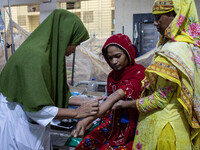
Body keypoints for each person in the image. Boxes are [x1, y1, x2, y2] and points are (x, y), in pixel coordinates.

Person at [0, 9, 102, 150]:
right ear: (65, 36)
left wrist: (84, 101)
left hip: (29, 125)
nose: (74, 50)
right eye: (75, 44)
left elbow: (51, 93)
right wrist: (78, 112)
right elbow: (37, 108)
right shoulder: (35, 57)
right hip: (17, 127)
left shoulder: (50, 56)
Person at [111, 0, 200, 149]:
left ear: (175, 16)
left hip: (164, 131)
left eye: (158, 18)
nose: (154, 23)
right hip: (179, 127)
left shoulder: (172, 51)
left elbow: (160, 99)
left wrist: (124, 104)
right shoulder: (190, 47)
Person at [73, 33, 146, 149]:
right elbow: (107, 104)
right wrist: (94, 121)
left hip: (135, 126)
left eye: (118, 56)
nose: (114, 61)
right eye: (110, 58)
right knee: (87, 143)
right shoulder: (112, 76)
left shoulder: (139, 73)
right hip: (114, 123)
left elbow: (114, 98)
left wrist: (86, 120)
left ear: (128, 53)